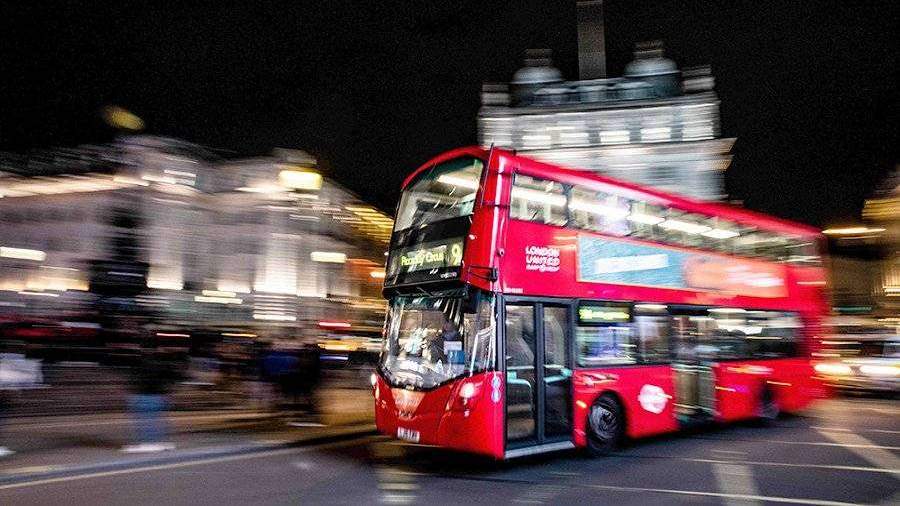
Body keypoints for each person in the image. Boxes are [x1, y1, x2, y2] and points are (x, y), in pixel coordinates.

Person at [121, 335, 183, 453]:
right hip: (157, 395)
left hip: (139, 395)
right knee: (156, 419)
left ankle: (146, 443)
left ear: (141, 347)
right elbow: (173, 377)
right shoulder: (162, 361)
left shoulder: (136, 360)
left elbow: (131, 378)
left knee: (143, 421)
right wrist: (168, 391)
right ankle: (156, 442)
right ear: (157, 347)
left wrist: (130, 392)